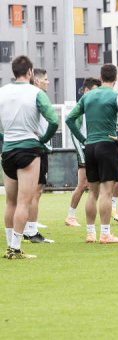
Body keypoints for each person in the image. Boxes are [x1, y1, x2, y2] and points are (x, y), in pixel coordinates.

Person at [0, 56, 59, 259]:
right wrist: (43, 139)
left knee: (10, 202)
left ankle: (10, 245)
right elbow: (53, 120)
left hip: (7, 150)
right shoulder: (36, 93)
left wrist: (5, 136)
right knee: (24, 202)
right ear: (31, 72)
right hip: (29, 150)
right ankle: (14, 249)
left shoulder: (2, 92)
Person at [67, 64, 118, 244]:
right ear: (115, 78)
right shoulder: (117, 96)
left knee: (92, 192)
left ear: (100, 77)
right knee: (106, 192)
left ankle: (90, 233)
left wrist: (83, 139)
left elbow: (69, 119)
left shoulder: (88, 96)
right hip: (107, 143)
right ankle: (105, 234)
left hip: (90, 146)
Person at [21, 68, 55, 243]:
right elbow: (53, 122)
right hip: (37, 148)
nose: (48, 82)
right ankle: (31, 231)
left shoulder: (25, 98)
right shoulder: (38, 97)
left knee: (26, 193)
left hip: (22, 147)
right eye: (46, 79)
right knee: (36, 191)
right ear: (36, 81)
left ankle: (25, 228)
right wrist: (44, 140)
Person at [65, 77, 102, 227]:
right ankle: (70, 216)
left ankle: (112, 207)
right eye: (94, 90)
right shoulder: (81, 108)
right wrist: (83, 142)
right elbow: (72, 127)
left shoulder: (92, 106)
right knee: (82, 184)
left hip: (92, 148)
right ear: (86, 90)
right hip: (85, 150)